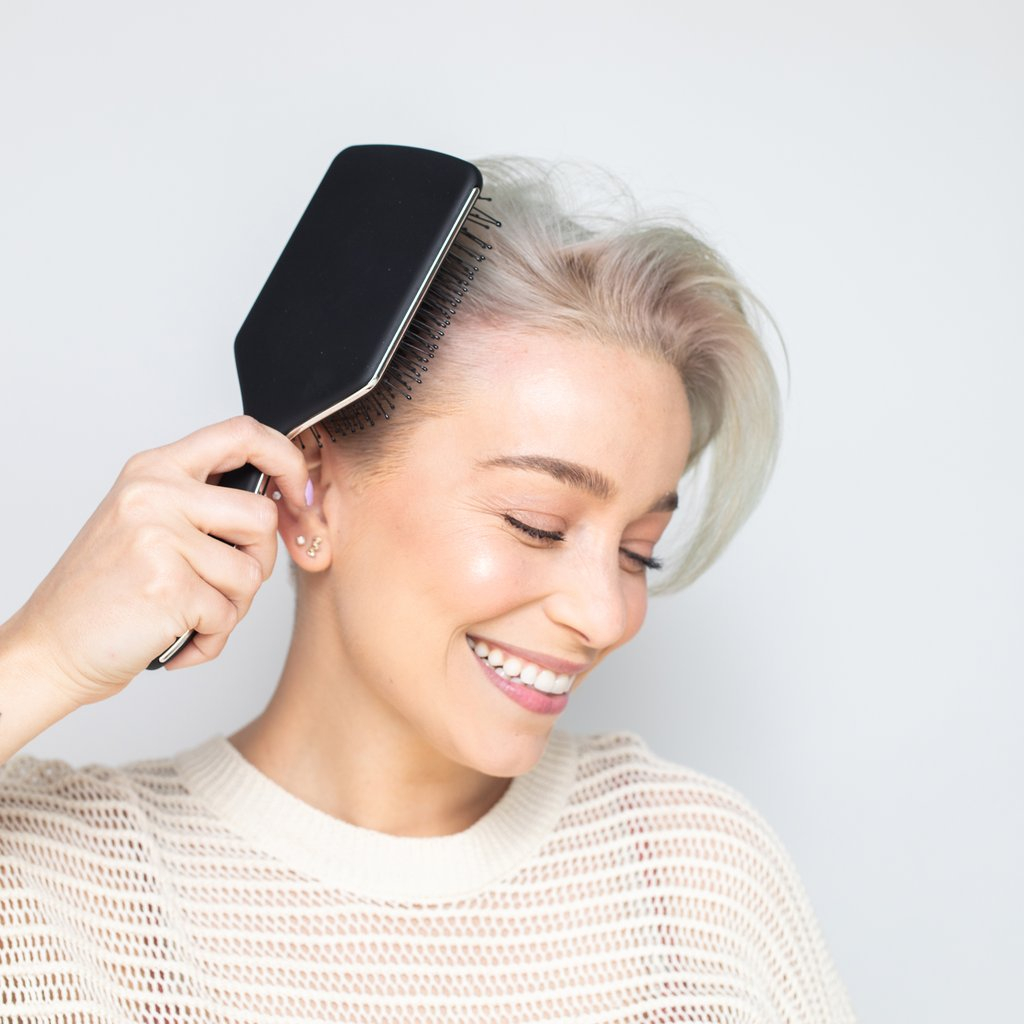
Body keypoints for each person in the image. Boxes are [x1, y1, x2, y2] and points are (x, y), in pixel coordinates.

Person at [0, 157, 857, 1022]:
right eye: (536, 524)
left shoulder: (695, 882)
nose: (604, 616)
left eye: (640, 552)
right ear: (312, 490)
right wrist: (43, 657)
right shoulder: (59, 888)